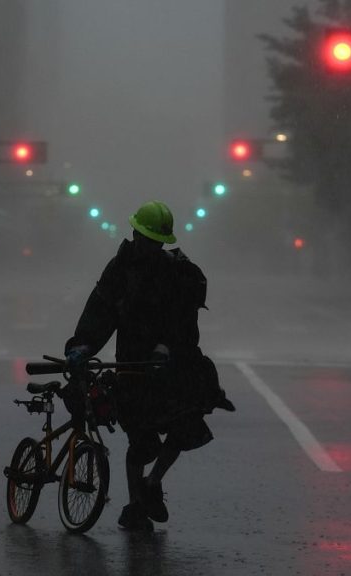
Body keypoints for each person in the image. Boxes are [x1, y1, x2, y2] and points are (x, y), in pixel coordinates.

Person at [64, 200, 235, 532]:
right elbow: (101, 310)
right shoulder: (120, 269)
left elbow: (184, 320)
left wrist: (167, 347)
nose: (150, 246)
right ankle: (134, 505)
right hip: (131, 366)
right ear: (134, 235)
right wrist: (82, 345)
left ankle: (153, 483)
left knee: (186, 423)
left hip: (169, 366)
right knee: (140, 440)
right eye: (146, 239)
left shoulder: (177, 274)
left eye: (156, 242)